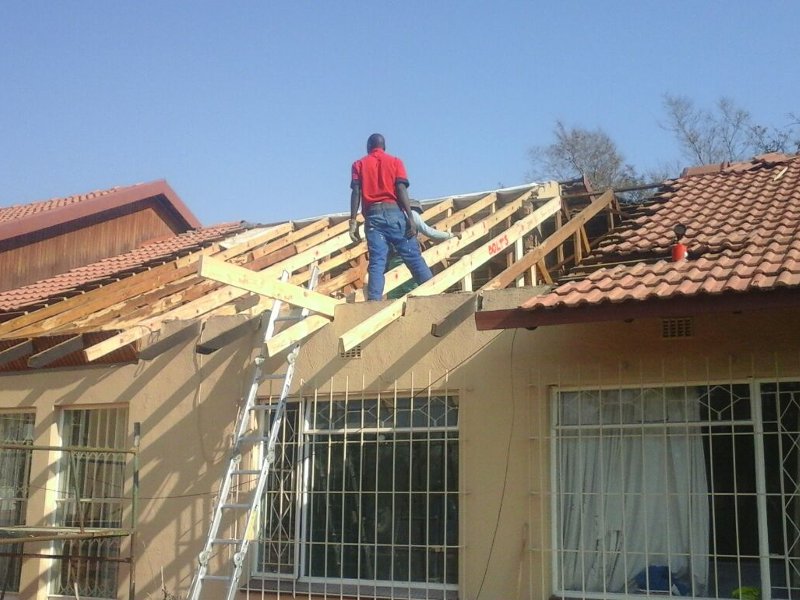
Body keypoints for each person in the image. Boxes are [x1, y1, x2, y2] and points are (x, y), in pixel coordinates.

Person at [349, 133, 433, 300]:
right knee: (413, 257)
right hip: (394, 213)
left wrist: (352, 221)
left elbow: (356, 192)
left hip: (373, 218)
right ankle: (433, 294)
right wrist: (410, 217)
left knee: (377, 262)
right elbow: (401, 190)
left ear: (368, 148)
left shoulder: (359, 164)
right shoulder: (395, 162)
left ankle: (373, 302)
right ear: (384, 147)